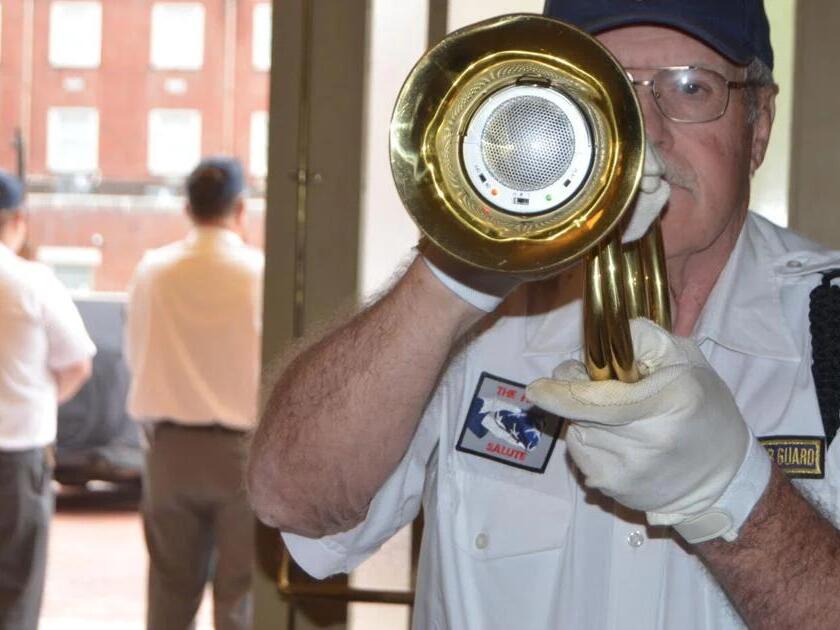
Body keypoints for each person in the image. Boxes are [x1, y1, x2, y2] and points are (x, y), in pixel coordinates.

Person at [248, 1, 840, 628]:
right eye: (604, 88)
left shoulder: (827, 319)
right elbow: (293, 500)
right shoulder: (476, 318)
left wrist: (736, 497)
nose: (643, 132)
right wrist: (459, 272)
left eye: (690, 86)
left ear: (760, 124)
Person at [125, 157, 263, 630]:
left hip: (170, 451)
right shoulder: (259, 272)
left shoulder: (153, 270)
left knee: (169, 595)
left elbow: (134, 351)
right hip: (242, 455)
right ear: (241, 208)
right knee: (240, 598)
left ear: (187, 207)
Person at [0, 170, 95, 630]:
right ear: (17, 219)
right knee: (17, 587)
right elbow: (78, 362)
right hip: (18, 458)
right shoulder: (32, 282)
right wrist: (39, 400)